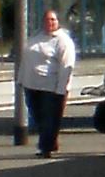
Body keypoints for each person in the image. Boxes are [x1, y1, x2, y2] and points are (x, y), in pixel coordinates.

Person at [18, 9, 76, 158]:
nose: (50, 23)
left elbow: (66, 65)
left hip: (50, 86)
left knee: (48, 118)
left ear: (58, 22)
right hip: (31, 84)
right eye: (47, 20)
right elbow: (26, 59)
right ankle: (50, 142)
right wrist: (21, 79)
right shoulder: (36, 37)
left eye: (53, 20)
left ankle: (45, 148)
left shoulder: (63, 41)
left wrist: (61, 89)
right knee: (37, 116)